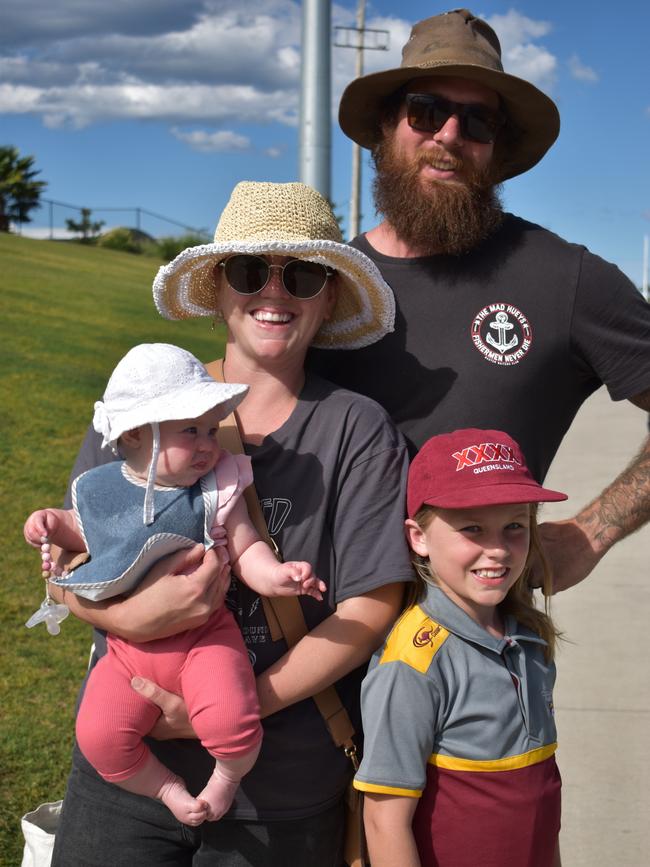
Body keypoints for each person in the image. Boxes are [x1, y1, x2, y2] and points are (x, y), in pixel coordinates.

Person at [48, 181, 413, 866]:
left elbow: (371, 605)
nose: (274, 295)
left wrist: (243, 705)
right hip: (125, 771)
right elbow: (74, 560)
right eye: (250, 272)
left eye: (303, 276)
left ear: (329, 297)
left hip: (280, 787)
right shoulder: (142, 403)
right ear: (218, 288)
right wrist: (130, 619)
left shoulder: (355, 428)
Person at [308, 8, 650, 592]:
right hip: (313, 640)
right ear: (388, 126)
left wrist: (594, 531)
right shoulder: (318, 283)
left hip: (473, 656)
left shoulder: (565, 279)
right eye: (426, 110)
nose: (448, 136)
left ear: (496, 147)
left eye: (478, 123)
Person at [24, 342, 327, 827]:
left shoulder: (216, 489)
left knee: (232, 720)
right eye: (192, 430)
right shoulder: (105, 485)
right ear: (140, 433)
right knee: (99, 736)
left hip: (205, 639)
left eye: (212, 429)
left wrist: (277, 576)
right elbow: (85, 532)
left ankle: (225, 780)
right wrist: (50, 525)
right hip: (125, 651)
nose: (210, 443)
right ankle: (165, 789)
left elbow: (246, 547)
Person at [354, 428, 567, 867]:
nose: (497, 551)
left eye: (514, 526)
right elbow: (383, 821)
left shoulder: (529, 638)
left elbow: (541, 800)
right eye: (472, 528)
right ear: (419, 538)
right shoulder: (412, 664)